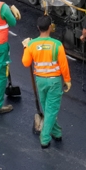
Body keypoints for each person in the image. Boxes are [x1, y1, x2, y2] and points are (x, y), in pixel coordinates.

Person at [21, 15, 71, 149]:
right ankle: (44, 137)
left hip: (40, 81)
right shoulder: (57, 45)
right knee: (51, 110)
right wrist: (67, 80)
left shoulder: (31, 44)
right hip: (54, 82)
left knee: (47, 109)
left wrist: (25, 47)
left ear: (38, 28)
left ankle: (57, 132)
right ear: (50, 27)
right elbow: (64, 65)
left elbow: (26, 63)